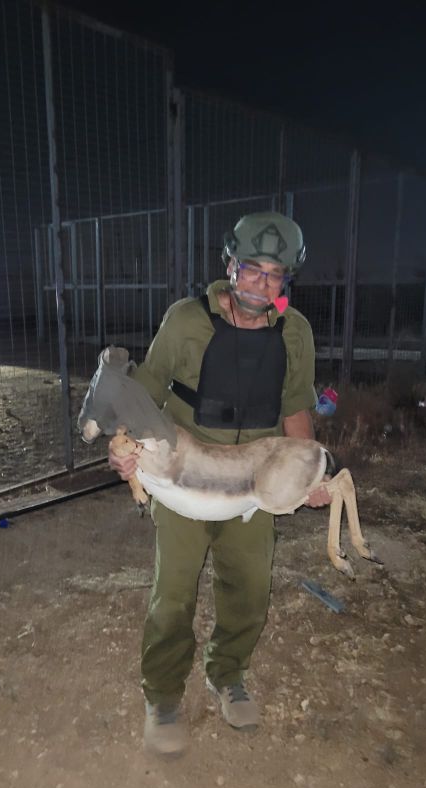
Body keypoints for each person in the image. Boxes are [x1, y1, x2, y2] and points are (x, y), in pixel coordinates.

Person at [108, 211, 331, 756]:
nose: (262, 282)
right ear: (230, 266)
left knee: (250, 588)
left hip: (255, 476)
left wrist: (308, 473)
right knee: (173, 592)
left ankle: (227, 673)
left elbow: (297, 408)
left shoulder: (294, 332)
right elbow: (144, 391)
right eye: (252, 269)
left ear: (286, 281)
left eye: (275, 274)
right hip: (185, 469)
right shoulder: (186, 320)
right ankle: (162, 695)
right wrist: (124, 449)